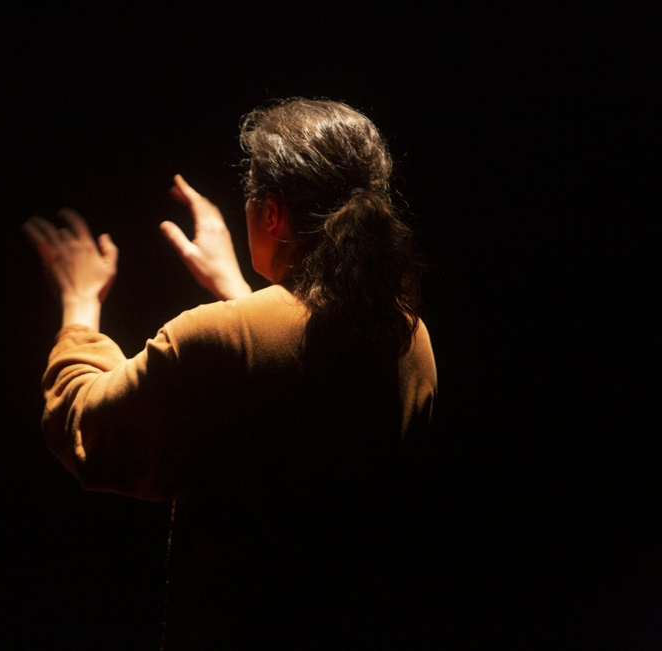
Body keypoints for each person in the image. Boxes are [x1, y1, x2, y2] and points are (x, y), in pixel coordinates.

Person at [23, 98, 437, 649]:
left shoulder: (217, 339)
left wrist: (79, 302)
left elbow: (88, 427)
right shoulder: (408, 338)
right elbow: (291, 379)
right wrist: (239, 291)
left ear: (271, 215)